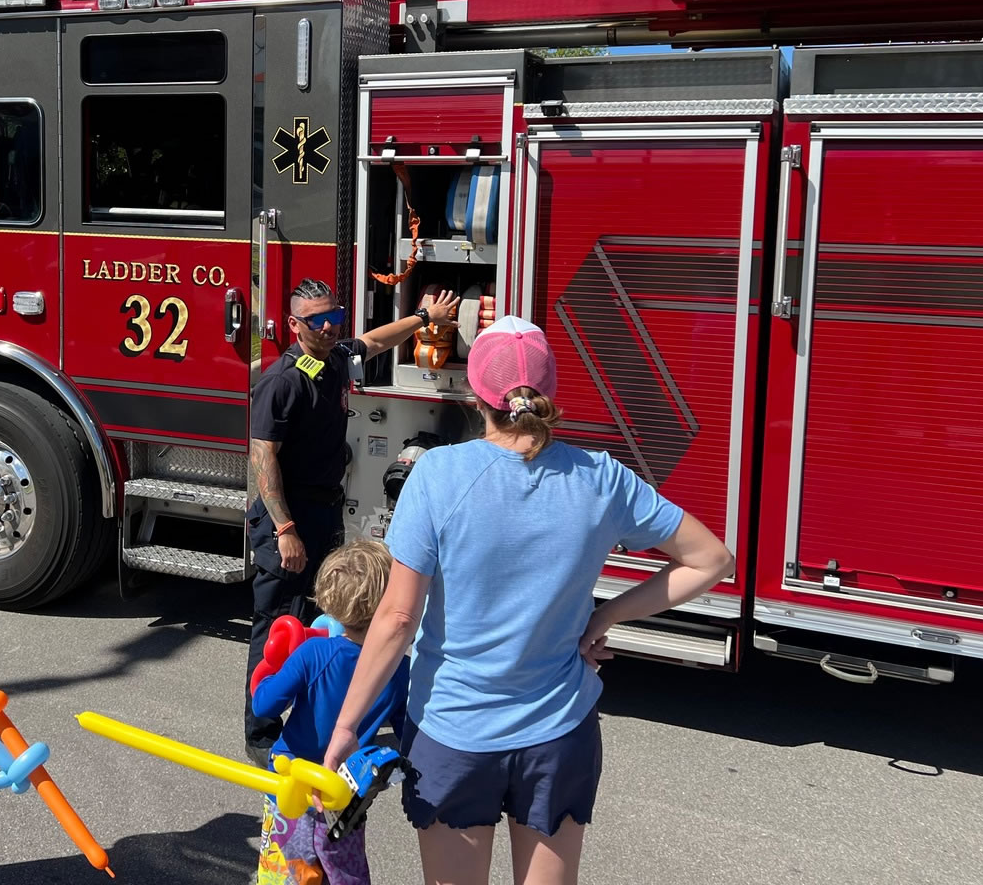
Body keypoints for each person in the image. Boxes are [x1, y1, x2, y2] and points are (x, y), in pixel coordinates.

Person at [323, 317, 734, 885]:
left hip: (452, 733)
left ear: (475, 395)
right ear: (549, 394)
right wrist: (604, 616)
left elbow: (397, 619)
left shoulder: (437, 474)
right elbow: (712, 560)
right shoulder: (601, 477)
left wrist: (347, 728)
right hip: (559, 733)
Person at [245, 278, 459, 765]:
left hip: (323, 510)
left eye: (335, 316)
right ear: (294, 324)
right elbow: (263, 458)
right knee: (277, 624)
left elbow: (375, 341)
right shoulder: (281, 382)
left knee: (321, 620)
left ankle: (313, 718)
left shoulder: (335, 358)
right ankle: (261, 732)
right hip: (288, 520)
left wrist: (425, 319)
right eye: (317, 320)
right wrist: (285, 530)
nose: (329, 327)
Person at [250, 540, 409, 885]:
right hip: (345, 794)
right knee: (345, 874)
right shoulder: (398, 668)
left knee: (287, 874)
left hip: (291, 787)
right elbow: (406, 731)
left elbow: (264, 706)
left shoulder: (314, 652)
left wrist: (268, 674)